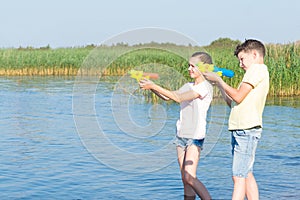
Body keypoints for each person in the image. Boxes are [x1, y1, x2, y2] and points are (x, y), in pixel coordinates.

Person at [139, 52, 213, 200]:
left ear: (204, 68)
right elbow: (169, 96)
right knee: (185, 180)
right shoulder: (188, 85)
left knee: (189, 176)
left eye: (193, 66)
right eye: (188, 65)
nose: (189, 69)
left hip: (194, 137)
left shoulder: (204, 88)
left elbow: (178, 98)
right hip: (181, 136)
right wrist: (150, 87)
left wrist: (154, 85)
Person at [203, 39, 269, 200]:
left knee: (238, 176)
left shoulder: (256, 70)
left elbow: (238, 96)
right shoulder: (255, 73)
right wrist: (218, 84)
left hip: (246, 129)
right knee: (246, 174)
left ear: (254, 54)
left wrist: (219, 80)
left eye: (242, 59)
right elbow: (232, 101)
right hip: (242, 128)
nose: (240, 64)